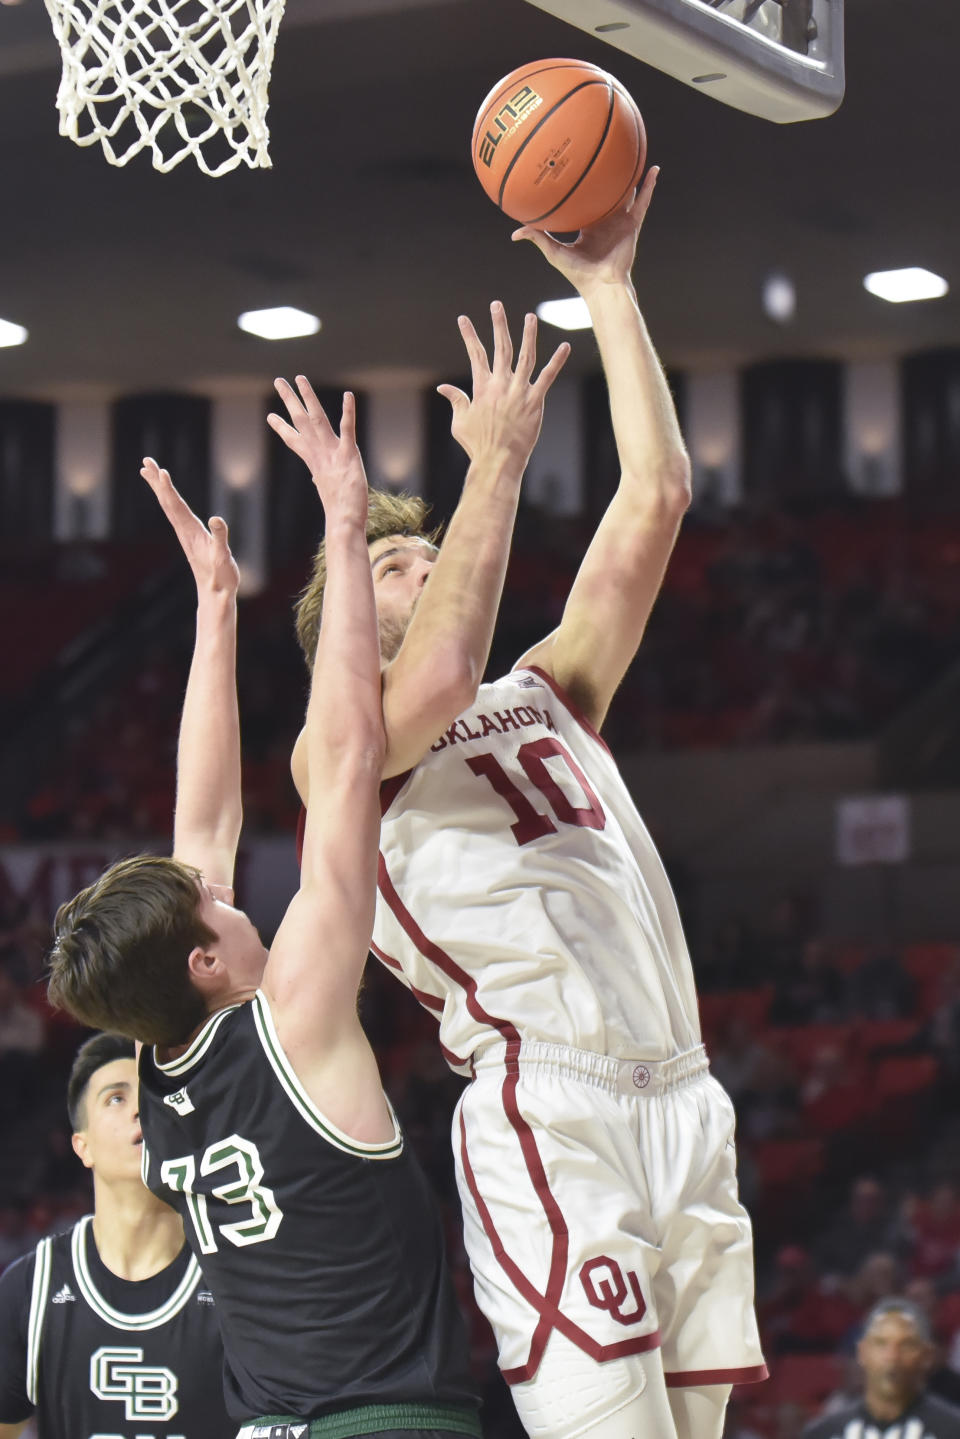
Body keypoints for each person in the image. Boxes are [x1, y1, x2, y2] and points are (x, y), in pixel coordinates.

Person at [278, 172, 765, 1439]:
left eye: (432, 551)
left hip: (684, 1092)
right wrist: (494, 463)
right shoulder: (346, 749)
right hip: (547, 1101)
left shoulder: (548, 688)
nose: (429, 564)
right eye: (394, 562)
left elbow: (654, 499)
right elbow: (434, 668)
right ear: (343, 629)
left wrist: (610, 292)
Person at [46, 425, 481, 1439]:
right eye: (221, 908)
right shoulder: (293, 1017)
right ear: (204, 959)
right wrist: (341, 525)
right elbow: (346, 761)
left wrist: (215, 610)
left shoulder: (155, 1075)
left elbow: (203, 829)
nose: (236, 894)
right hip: (385, 1420)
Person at [0, 1031, 234, 1439]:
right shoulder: (29, 1290)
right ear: (82, 1146)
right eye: (116, 1097)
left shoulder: (238, 1277)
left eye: (151, 1097)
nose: (140, 1110)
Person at [802, 1299, 960, 1439]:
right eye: (881, 1343)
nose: (892, 1356)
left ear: (926, 1356)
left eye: (906, 1345)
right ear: (862, 1352)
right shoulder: (823, 1433)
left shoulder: (953, 1430)